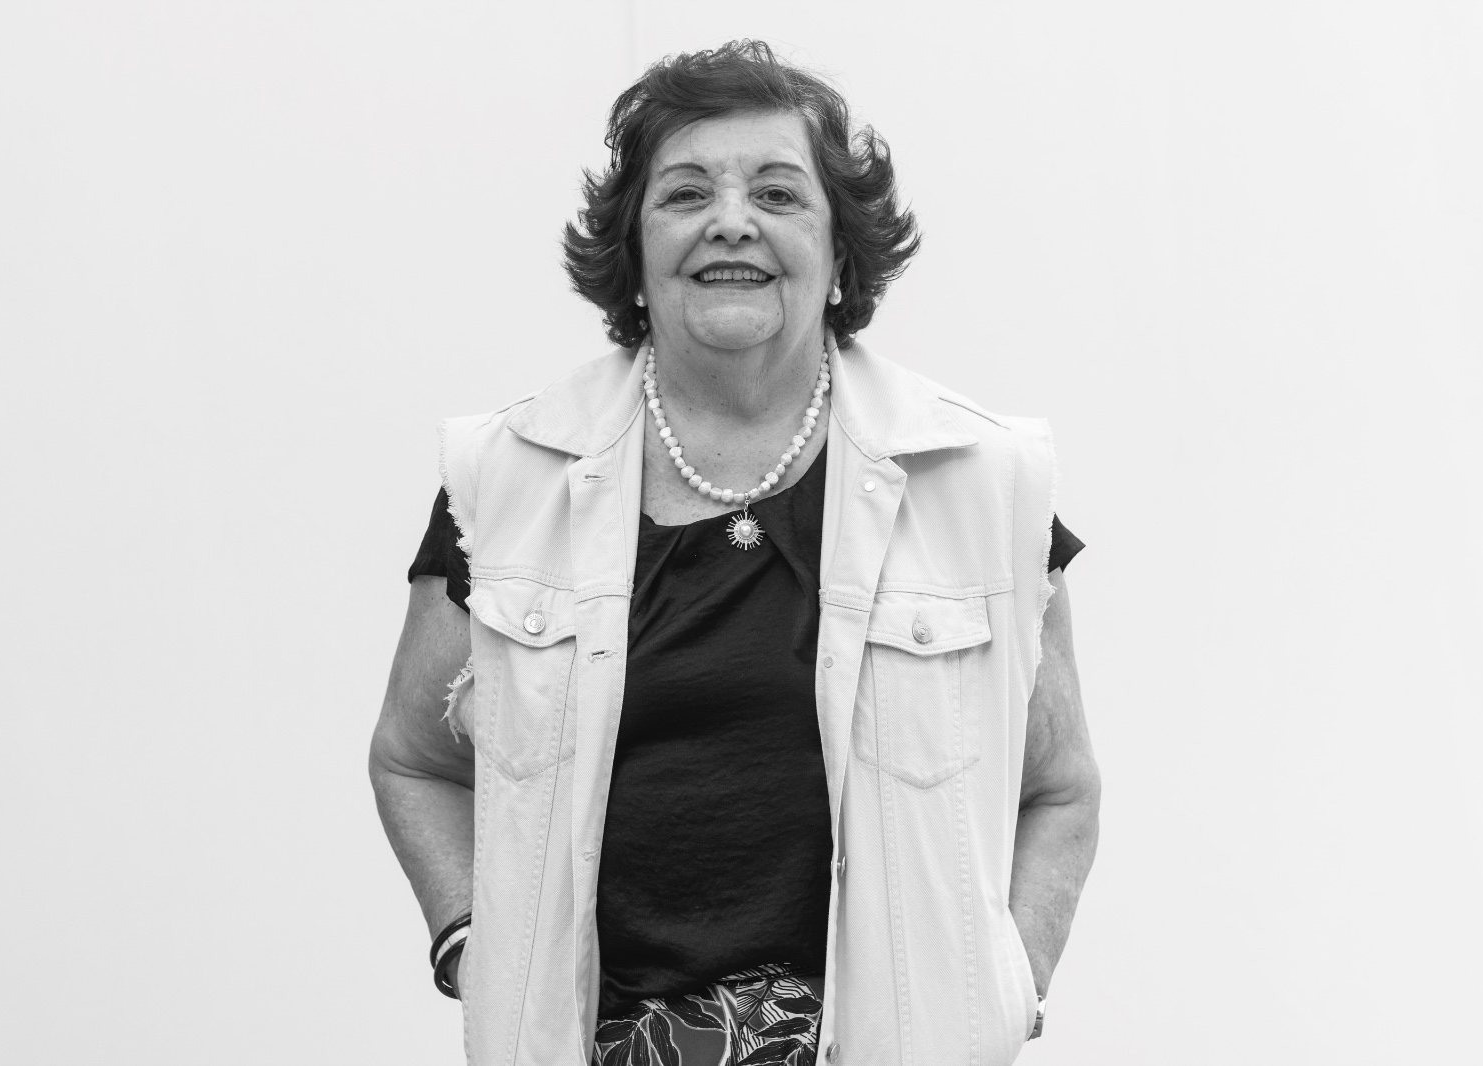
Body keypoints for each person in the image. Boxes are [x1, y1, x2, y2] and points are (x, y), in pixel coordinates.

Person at [370, 40, 1100, 1066]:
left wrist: (1008, 986)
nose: (730, 220)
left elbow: (1059, 785)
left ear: (841, 250)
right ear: (632, 252)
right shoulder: (507, 483)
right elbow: (413, 759)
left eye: (777, 192)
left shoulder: (981, 484)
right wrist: (471, 945)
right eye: (684, 193)